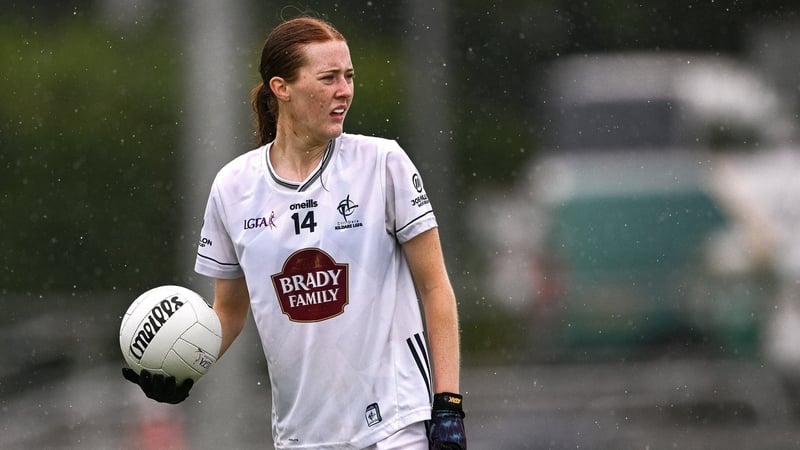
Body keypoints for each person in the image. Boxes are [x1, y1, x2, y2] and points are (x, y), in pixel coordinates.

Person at [123, 15, 466, 449]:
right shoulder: (233, 188)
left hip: (395, 425)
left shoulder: (383, 164)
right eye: (328, 78)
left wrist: (448, 404)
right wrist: (184, 368)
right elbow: (228, 311)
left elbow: (435, 287)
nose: (344, 90)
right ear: (281, 88)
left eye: (348, 76)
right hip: (301, 436)